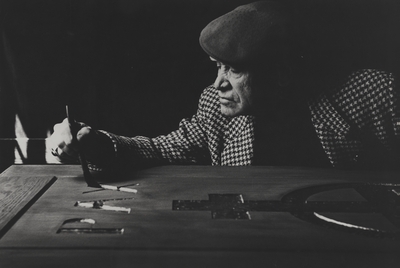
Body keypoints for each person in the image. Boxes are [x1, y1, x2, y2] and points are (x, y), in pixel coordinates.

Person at [50, 1, 400, 176]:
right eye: (217, 67)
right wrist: (96, 142)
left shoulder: (374, 94)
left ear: (281, 73)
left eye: (233, 69)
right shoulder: (214, 107)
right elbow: (159, 149)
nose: (218, 83)